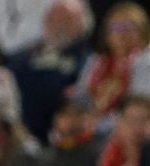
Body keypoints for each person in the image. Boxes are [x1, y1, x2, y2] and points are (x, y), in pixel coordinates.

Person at [9, 0, 90, 140]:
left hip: (59, 122)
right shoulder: (26, 55)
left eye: (66, 19)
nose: (58, 24)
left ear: (82, 25)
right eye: (53, 17)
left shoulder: (87, 58)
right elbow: (9, 73)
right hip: (18, 119)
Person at [75, 2, 150, 119]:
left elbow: (148, 107)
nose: (122, 33)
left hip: (133, 126)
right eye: (116, 27)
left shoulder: (149, 63)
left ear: (144, 32)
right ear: (107, 34)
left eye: (129, 27)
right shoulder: (96, 62)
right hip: (92, 125)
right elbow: (80, 98)